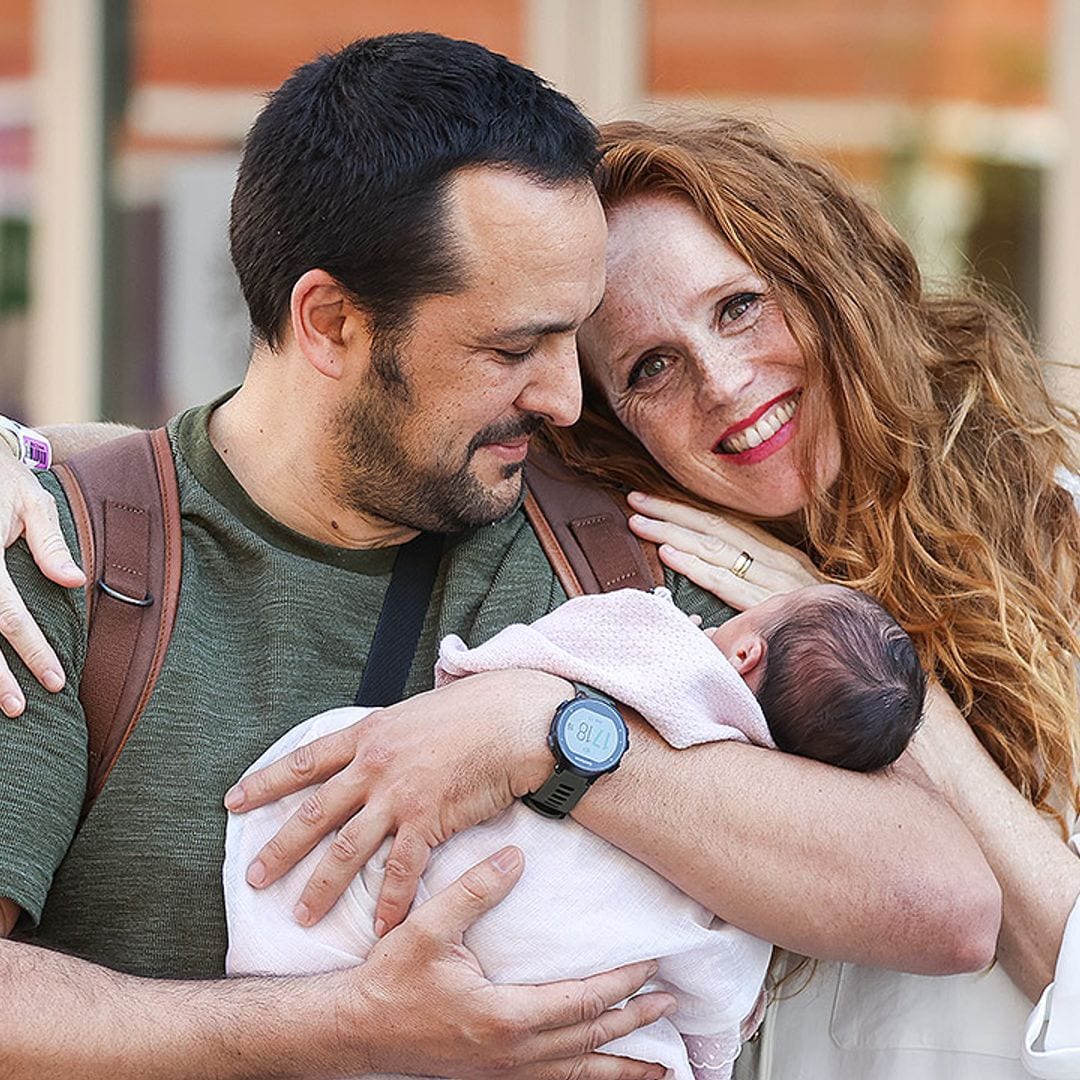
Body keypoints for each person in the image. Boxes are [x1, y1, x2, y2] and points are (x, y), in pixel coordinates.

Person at [0, 38, 1001, 1080]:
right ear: (332, 323)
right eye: (513, 348)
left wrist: (560, 735)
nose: (568, 400)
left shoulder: (618, 558)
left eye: (575, 339)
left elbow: (942, 902)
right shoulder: (63, 566)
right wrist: (345, 1025)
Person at [545, 118, 1079, 1079]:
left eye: (740, 306)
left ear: (829, 282)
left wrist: (847, 642)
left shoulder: (1066, 547)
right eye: (649, 367)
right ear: (620, 429)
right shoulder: (666, 635)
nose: (723, 382)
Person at [224, 583, 926, 1080]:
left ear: (745, 654)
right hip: (575, 969)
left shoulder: (659, 640)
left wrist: (478, 688)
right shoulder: (762, 843)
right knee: (643, 1029)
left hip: (458, 879)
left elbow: (527, 662)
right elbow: (718, 996)